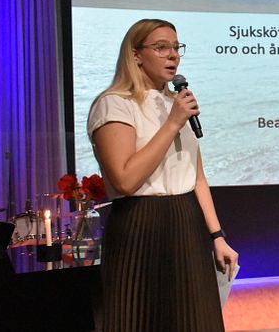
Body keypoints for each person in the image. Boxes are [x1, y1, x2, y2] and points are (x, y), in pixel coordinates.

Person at [87, 18, 238, 332]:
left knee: (195, 320)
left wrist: (217, 236)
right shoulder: (114, 105)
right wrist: (172, 124)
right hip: (140, 225)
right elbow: (125, 180)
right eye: (161, 47)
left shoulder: (175, 103)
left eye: (176, 48)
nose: (173, 56)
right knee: (143, 318)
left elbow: (196, 177)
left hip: (186, 221)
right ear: (136, 54)